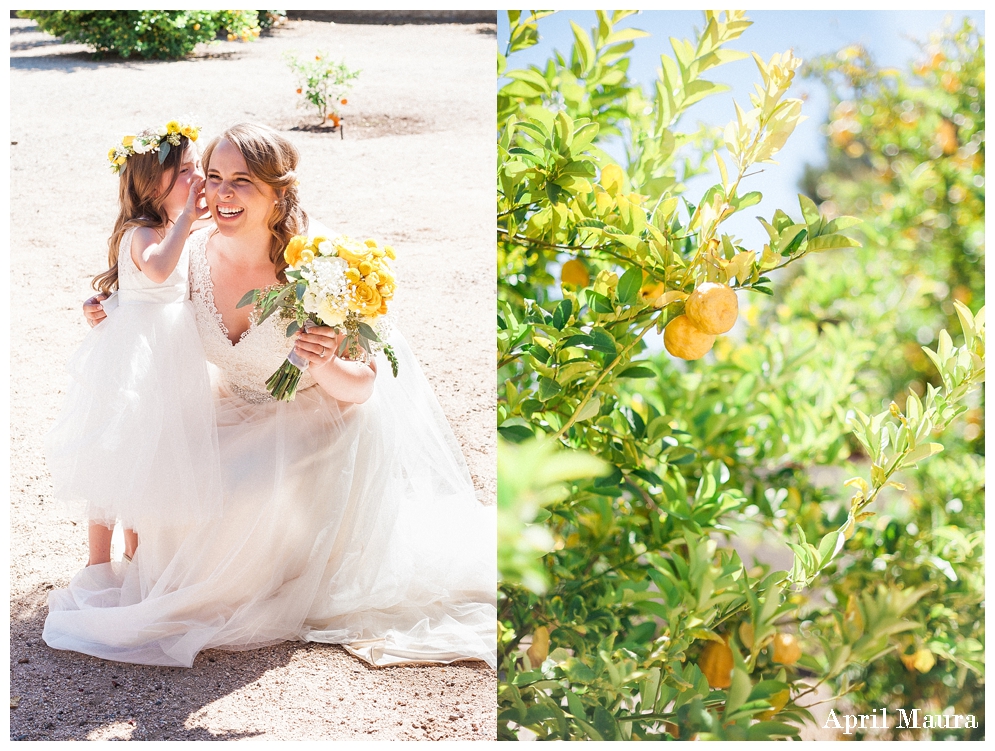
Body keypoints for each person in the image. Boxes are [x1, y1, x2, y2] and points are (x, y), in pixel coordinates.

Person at [44, 123, 496, 670]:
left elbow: (363, 389)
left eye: (243, 181)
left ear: (279, 192)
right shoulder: (189, 250)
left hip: (316, 419)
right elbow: (146, 298)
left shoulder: (322, 267)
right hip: (230, 402)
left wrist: (326, 359)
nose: (222, 194)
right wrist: (104, 308)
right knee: (175, 503)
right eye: (213, 178)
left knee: (237, 508)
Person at [44, 119, 222, 568]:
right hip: (140, 358)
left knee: (154, 459)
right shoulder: (143, 231)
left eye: (197, 166)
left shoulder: (177, 229)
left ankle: (137, 557)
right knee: (122, 458)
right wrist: (187, 218)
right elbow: (158, 271)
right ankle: (98, 566)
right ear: (150, 182)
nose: (197, 177)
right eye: (185, 170)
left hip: (170, 354)